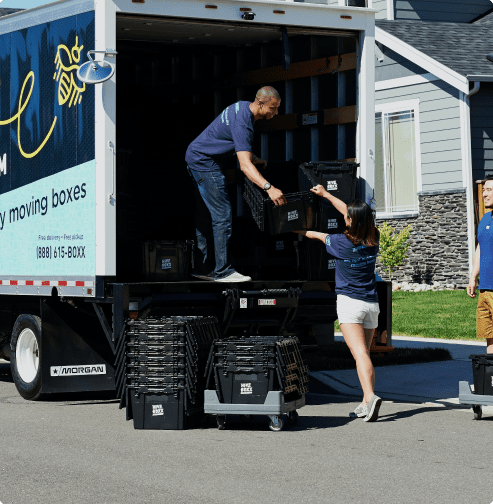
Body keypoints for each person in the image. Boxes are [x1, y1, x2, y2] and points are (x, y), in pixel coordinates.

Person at [296, 185, 382, 422]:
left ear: (351, 221)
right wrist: (326, 195)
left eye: (347, 217)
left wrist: (300, 230)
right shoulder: (374, 237)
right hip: (371, 305)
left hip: (350, 305)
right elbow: (352, 213)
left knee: (360, 354)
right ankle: (365, 404)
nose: (344, 217)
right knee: (363, 355)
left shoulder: (340, 242)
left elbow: (316, 235)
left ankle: (371, 396)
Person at [185, 86, 287, 282]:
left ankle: (203, 268)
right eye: (273, 108)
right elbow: (245, 167)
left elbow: (230, 139)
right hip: (204, 162)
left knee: (205, 214)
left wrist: (252, 157)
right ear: (260, 103)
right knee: (222, 214)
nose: (275, 112)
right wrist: (269, 188)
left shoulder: (241, 108)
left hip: (196, 156)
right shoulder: (244, 123)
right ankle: (223, 271)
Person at [467, 175, 493, 353]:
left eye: (489, 190)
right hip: (485, 289)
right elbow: (480, 247)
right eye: (484, 190)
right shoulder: (485, 218)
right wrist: (473, 277)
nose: (484, 194)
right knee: (490, 337)